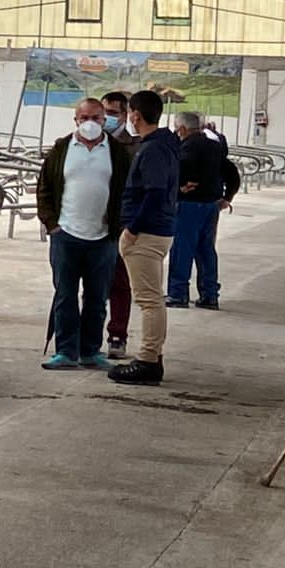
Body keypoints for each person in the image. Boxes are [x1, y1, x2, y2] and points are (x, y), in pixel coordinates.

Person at [35, 96, 127, 370]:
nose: (90, 123)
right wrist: (52, 225)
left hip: (102, 238)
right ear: (76, 120)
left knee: (97, 297)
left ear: (105, 120)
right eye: (84, 118)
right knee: (65, 295)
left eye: (96, 118)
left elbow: (126, 190)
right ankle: (65, 351)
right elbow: (44, 189)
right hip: (66, 236)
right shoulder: (62, 149)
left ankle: (90, 351)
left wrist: (117, 228)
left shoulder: (117, 152)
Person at [109, 89, 178, 386]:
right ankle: (154, 354)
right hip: (158, 229)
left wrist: (132, 229)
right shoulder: (166, 144)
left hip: (146, 233)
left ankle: (148, 360)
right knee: (153, 299)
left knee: (149, 300)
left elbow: (154, 191)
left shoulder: (151, 150)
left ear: (135, 115)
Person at [166, 111, 226, 310]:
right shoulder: (215, 146)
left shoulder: (187, 147)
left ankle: (178, 294)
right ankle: (210, 294)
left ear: (182, 129)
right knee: (206, 250)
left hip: (189, 204)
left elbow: (178, 171)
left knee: (182, 250)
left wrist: (179, 186)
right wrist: (227, 197)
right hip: (211, 204)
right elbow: (229, 171)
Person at [101, 89, 138, 357]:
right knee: (89, 284)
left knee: (119, 283)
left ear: (125, 115)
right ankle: (86, 336)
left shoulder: (134, 147)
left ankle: (117, 334)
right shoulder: (80, 143)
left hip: (119, 225)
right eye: (105, 113)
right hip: (85, 224)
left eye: (113, 114)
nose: (106, 119)